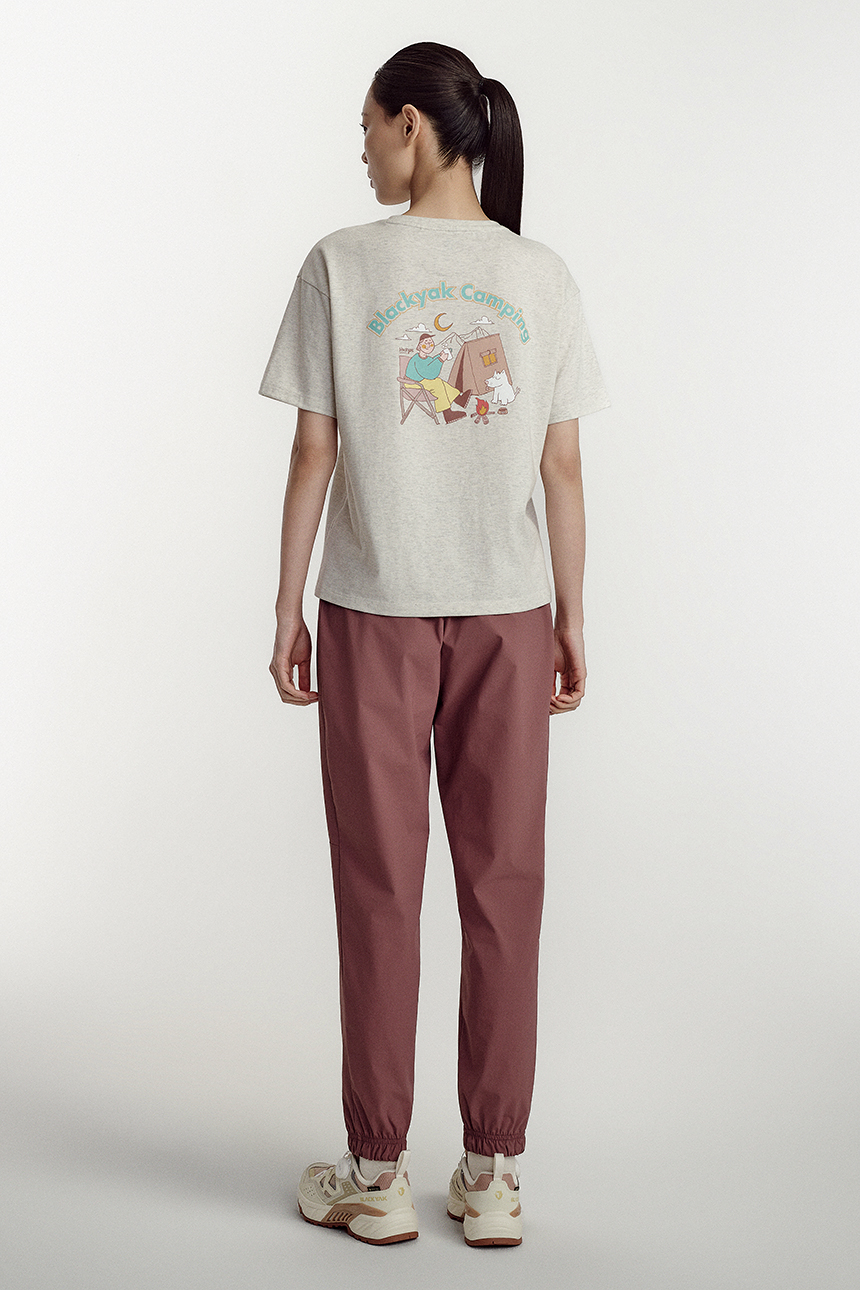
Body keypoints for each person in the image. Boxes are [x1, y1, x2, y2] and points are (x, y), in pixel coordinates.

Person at [259, 41, 610, 1248]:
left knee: (379, 888)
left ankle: (375, 1173)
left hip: (374, 609)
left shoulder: (342, 264)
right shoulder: (539, 274)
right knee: (503, 889)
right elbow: (562, 465)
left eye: (367, 126)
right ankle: (493, 1174)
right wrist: (571, 615)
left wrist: (286, 604)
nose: (359, 149)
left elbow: (314, 451)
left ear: (411, 125)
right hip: (511, 615)